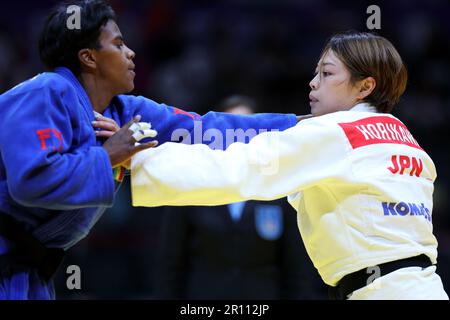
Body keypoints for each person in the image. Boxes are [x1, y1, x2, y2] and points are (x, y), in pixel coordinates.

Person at [0, 0, 300, 300]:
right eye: (118, 44)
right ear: (89, 57)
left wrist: (300, 126)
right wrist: (109, 155)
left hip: (29, 269)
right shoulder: (43, 92)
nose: (130, 52)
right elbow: (33, 180)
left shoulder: (125, 112)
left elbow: (208, 129)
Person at [131, 31, 449, 300]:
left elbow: (239, 169)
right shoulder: (405, 138)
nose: (313, 83)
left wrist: (131, 162)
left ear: (364, 86)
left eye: (327, 74)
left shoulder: (336, 133)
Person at [154, 96, 326, 299]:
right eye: (233, 129)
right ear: (215, 136)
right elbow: (170, 262)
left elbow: (296, 266)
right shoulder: (192, 186)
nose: (240, 138)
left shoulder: (278, 189)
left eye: (247, 129)